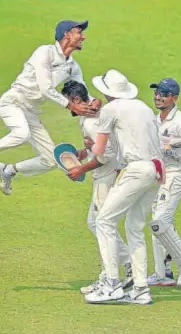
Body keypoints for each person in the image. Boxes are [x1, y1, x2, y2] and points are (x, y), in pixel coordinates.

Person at [83, 70, 181, 305]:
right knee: (135, 227)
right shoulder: (144, 108)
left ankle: (112, 284)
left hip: (137, 169)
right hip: (157, 171)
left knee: (103, 221)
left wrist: (87, 150)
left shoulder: (109, 110)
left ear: (107, 92)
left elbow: (101, 152)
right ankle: (140, 289)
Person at [0, 20, 96, 195]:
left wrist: (95, 104)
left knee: (50, 160)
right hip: (13, 102)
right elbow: (45, 88)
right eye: (79, 32)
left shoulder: (72, 66)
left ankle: (8, 170)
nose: (83, 37)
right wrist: (70, 105)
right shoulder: (44, 52)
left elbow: (83, 91)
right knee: (21, 134)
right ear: (66, 34)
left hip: (31, 111)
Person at [59, 80, 133, 294]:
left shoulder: (92, 122)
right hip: (103, 174)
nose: (67, 108)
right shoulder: (89, 115)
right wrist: (83, 154)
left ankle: (116, 274)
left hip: (108, 175)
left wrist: (81, 169)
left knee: (102, 225)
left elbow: (107, 155)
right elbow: (100, 147)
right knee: (95, 223)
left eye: (68, 103)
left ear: (76, 100)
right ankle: (121, 269)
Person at [147, 78, 181, 287]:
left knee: (160, 222)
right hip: (158, 175)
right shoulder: (155, 119)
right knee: (158, 224)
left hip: (175, 175)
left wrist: (171, 150)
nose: (158, 97)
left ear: (174, 98)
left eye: (164, 94)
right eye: (157, 93)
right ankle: (163, 272)